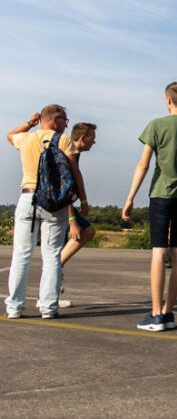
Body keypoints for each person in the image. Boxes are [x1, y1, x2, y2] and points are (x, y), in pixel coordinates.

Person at [121, 82, 177, 331]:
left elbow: (144, 165)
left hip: (160, 194)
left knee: (158, 251)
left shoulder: (156, 125)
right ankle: (169, 312)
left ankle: (156, 312)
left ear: (168, 100)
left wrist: (130, 198)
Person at [6, 105, 88, 319]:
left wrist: (29, 123)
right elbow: (74, 171)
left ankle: (14, 307)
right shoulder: (63, 140)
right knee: (51, 256)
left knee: (21, 255)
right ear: (54, 120)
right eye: (64, 120)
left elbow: (10, 136)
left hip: (28, 197)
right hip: (54, 203)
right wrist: (84, 199)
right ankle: (48, 308)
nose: (66, 125)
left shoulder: (27, 139)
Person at [56, 123, 98, 307]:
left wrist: (83, 202)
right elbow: (63, 189)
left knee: (64, 244)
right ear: (82, 139)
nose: (94, 142)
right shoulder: (68, 155)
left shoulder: (74, 155)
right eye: (92, 138)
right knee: (86, 231)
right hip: (60, 207)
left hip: (63, 206)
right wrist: (72, 220)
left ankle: (53, 286)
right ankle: (55, 269)